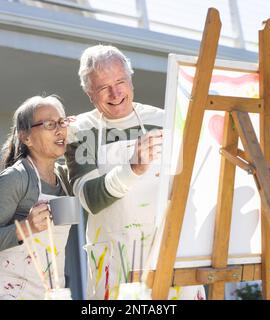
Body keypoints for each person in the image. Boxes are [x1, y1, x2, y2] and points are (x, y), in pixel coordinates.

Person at [65, 45, 205, 300]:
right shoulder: (81, 130)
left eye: (120, 81)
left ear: (131, 80)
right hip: (115, 264)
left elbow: (192, 186)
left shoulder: (165, 120)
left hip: (172, 257)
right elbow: (90, 199)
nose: (115, 92)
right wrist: (133, 169)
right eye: (103, 87)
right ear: (89, 93)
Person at [0, 95, 74, 300]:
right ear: (25, 137)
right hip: (9, 292)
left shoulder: (64, 177)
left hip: (50, 291)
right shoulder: (15, 178)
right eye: (49, 124)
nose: (59, 129)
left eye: (62, 122)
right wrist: (27, 227)